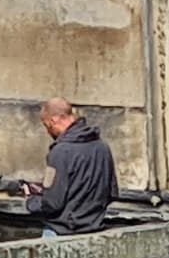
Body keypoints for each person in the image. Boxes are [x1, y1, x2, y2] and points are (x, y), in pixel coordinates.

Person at [29, 100, 117, 234]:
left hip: (62, 232)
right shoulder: (103, 147)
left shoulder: (59, 152)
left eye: (47, 126)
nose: (48, 132)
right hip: (95, 230)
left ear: (53, 121)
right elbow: (112, 193)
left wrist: (32, 201)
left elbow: (53, 203)